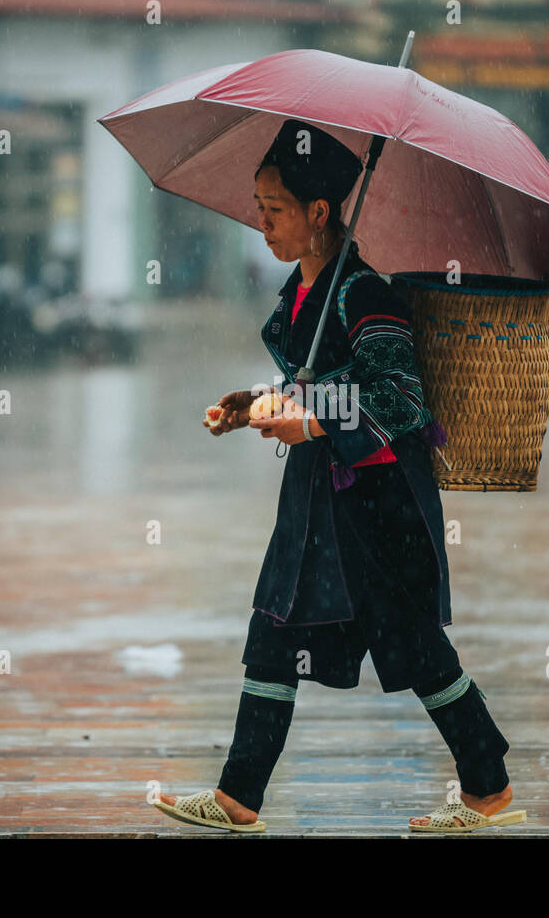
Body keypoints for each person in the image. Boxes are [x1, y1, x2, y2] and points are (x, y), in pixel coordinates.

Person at [153, 119, 523, 833]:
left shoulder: (364, 297)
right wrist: (250, 405)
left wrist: (313, 422)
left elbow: (400, 397)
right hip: (320, 507)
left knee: (418, 650)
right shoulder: (300, 299)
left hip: (380, 512)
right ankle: (238, 798)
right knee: (274, 631)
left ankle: (488, 788)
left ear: (320, 213)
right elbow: (312, 383)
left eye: (275, 210)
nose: (261, 224)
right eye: (258, 208)